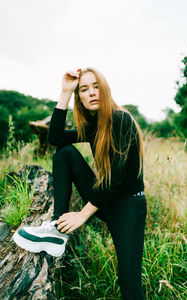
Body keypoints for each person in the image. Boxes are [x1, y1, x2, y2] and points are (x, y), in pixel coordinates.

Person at [13, 67, 147, 300]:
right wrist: (65, 93)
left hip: (128, 208)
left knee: (129, 283)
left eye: (96, 87)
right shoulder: (93, 125)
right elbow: (55, 138)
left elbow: (115, 180)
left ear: (105, 90)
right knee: (64, 153)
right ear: (80, 98)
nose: (92, 93)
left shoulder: (120, 118)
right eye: (84, 89)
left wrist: (82, 215)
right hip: (106, 201)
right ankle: (56, 231)